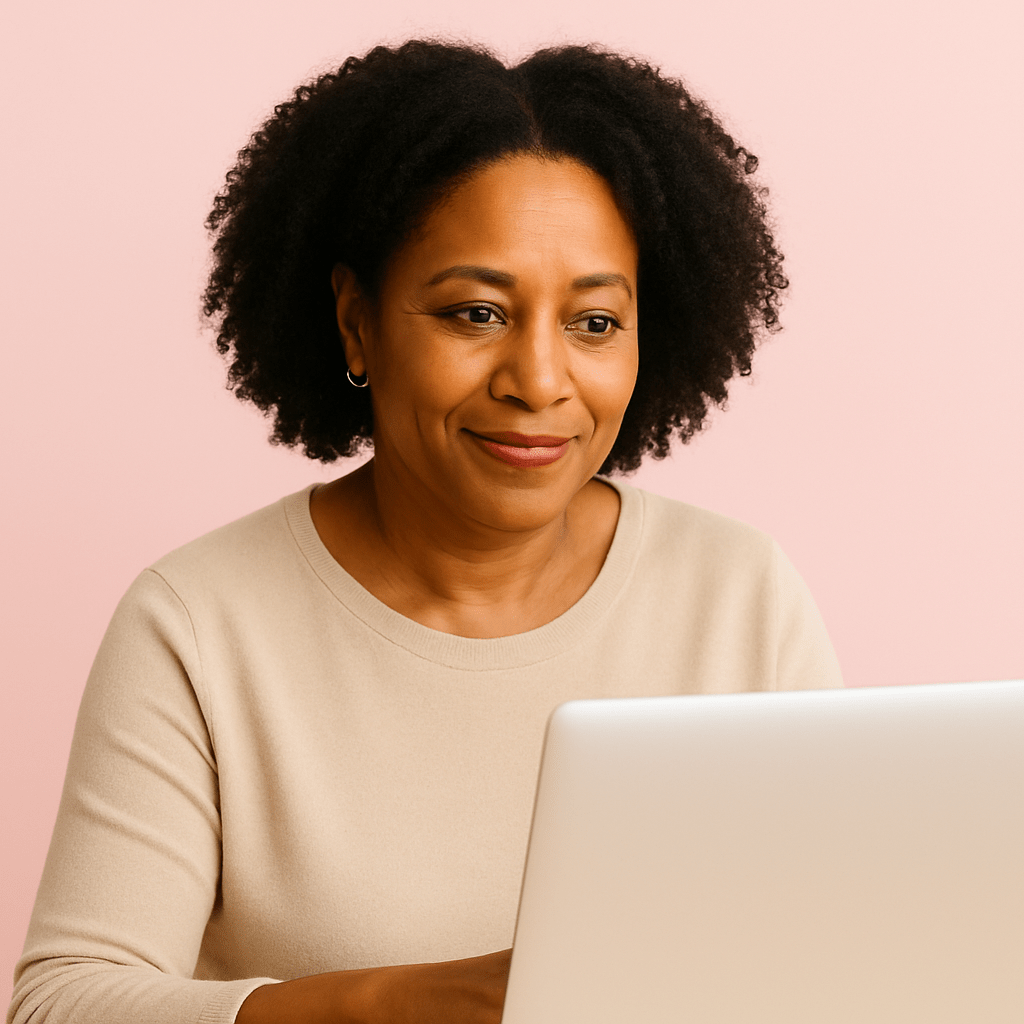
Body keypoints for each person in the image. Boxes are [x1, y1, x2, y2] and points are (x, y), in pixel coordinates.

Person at [8, 39, 842, 1024]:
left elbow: (837, 959)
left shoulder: (740, 598)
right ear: (356, 322)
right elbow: (63, 1002)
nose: (538, 381)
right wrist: (401, 1003)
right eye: (476, 312)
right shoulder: (198, 623)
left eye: (593, 323)